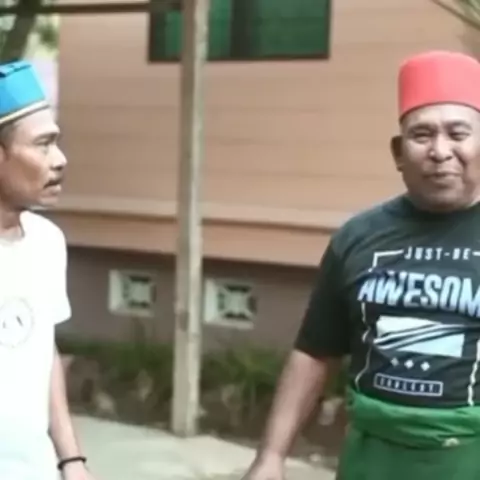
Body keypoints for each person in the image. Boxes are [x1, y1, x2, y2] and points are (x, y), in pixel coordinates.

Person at [241, 50, 480, 480]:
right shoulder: (358, 237)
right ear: (398, 152)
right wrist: (271, 456)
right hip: (371, 461)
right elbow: (315, 351)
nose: (440, 151)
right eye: (421, 135)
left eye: (457, 133)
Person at [0, 60, 96, 480]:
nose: (59, 160)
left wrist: (71, 460)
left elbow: (43, 351)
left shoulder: (47, 242)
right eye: (42, 145)